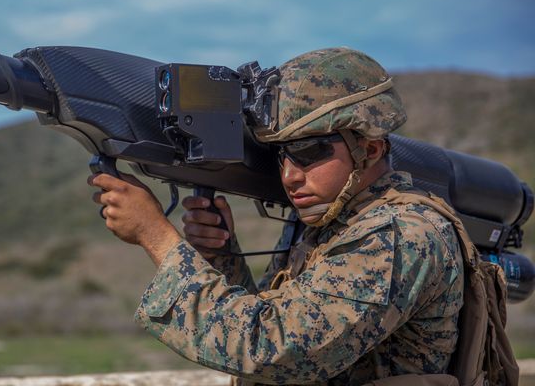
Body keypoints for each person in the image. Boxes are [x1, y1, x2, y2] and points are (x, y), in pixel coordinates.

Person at [88, 48, 464, 385]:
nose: (289, 175)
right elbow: (267, 320)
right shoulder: (329, 227)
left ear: (369, 148)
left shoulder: (402, 234)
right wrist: (221, 257)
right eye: (280, 155)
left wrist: (155, 235)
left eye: (308, 151)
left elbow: (268, 350)